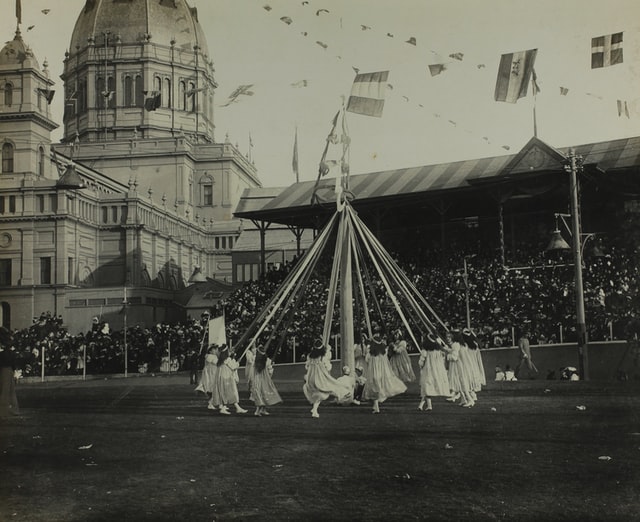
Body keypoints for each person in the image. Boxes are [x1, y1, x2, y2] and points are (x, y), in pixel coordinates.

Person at [303, 339, 351, 418]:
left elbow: (307, 367)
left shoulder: (310, 356)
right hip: (320, 378)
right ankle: (342, 394)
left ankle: (314, 410)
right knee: (329, 388)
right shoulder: (323, 357)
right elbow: (328, 367)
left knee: (321, 393)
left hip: (311, 378)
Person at [362, 331, 407, 414]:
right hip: (382, 372)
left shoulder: (370, 353)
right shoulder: (383, 352)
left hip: (374, 373)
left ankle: (376, 407)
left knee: (374, 388)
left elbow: (366, 360)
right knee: (379, 387)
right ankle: (376, 407)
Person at [417, 333, 450, 411]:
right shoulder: (439, 349)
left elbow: (422, 360)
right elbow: (443, 358)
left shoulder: (425, 350)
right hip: (438, 369)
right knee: (428, 386)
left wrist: (421, 366)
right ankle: (424, 405)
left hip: (428, 369)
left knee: (427, 385)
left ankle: (425, 405)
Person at [441, 330, 474, 407]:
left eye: (450, 337)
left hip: (458, 366)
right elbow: (454, 352)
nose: (448, 338)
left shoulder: (455, 345)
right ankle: (463, 399)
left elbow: (454, 357)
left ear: (454, 337)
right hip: (459, 366)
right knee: (459, 383)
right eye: (447, 337)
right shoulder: (458, 344)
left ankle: (470, 400)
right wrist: (447, 350)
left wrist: (447, 354)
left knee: (462, 382)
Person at [212, 346, 248, 415]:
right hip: (227, 378)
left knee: (226, 392)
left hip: (221, 378)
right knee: (231, 392)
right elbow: (233, 367)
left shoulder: (221, 359)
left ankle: (235, 408)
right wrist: (238, 362)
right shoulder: (227, 359)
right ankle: (236, 408)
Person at [250, 345, 282, 416]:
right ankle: (258, 410)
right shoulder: (267, 360)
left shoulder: (255, 359)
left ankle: (262, 410)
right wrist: (269, 376)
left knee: (260, 393)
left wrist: (251, 379)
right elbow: (270, 371)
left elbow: (252, 371)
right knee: (263, 393)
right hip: (264, 379)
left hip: (257, 378)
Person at [0, 327, 19, 417]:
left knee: (5, 390)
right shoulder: (9, 350)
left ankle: (4, 410)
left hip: (5, 369)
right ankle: (12, 409)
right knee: (9, 390)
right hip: (8, 369)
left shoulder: (5, 351)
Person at [195, 345, 219, 409]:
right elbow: (217, 363)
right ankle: (211, 403)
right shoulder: (210, 356)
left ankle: (213, 403)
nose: (216, 350)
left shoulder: (212, 356)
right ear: (210, 351)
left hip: (212, 373)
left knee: (214, 389)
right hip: (210, 374)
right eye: (214, 349)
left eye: (216, 349)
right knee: (214, 388)